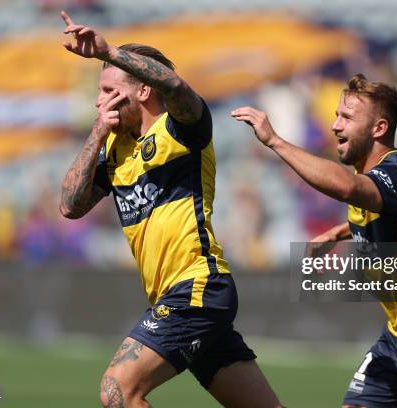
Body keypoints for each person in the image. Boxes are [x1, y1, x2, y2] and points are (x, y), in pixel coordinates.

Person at [58, 11, 283, 408]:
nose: (99, 99)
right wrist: (97, 133)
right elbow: (69, 206)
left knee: (118, 390)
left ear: (143, 91)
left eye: (109, 89)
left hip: (197, 288)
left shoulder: (182, 128)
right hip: (175, 297)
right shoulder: (114, 150)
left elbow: (176, 85)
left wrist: (109, 51)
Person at [232, 74, 397, 408]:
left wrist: (276, 142)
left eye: (347, 118)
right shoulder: (370, 180)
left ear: (378, 128)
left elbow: (350, 191)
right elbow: (377, 211)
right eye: (337, 115)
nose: (335, 125)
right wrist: (339, 231)